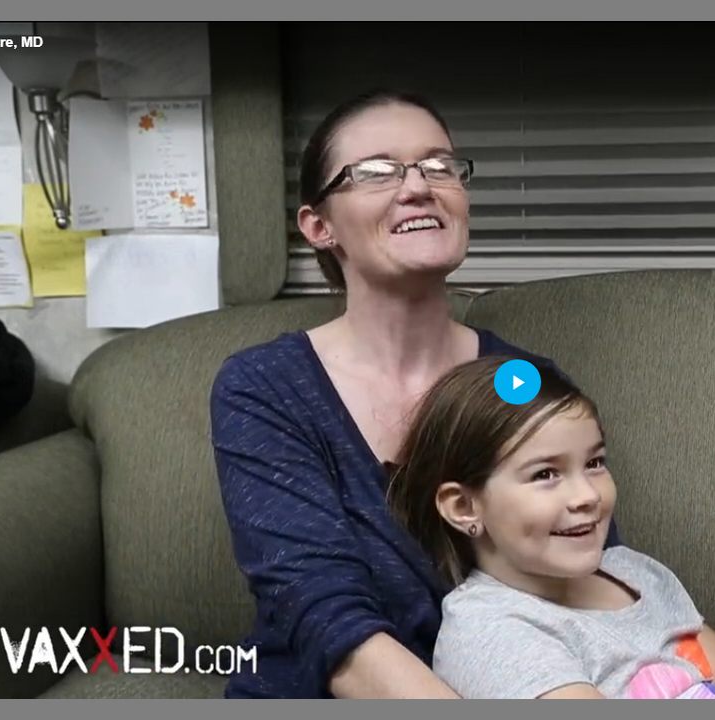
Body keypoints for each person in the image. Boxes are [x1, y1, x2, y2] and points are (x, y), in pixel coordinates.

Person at [209, 88, 621, 700]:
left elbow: (591, 575)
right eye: (377, 171)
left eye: (439, 165)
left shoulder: (523, 381)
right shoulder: (265, 386)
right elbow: (325, 618)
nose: (419, 186)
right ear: (319, 226)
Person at [385, 355, 715, 700]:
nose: (586, 495)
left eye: (594, 463)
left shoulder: (634, 572)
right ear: (463, 507)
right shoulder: (489, 629)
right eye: (545, 474)